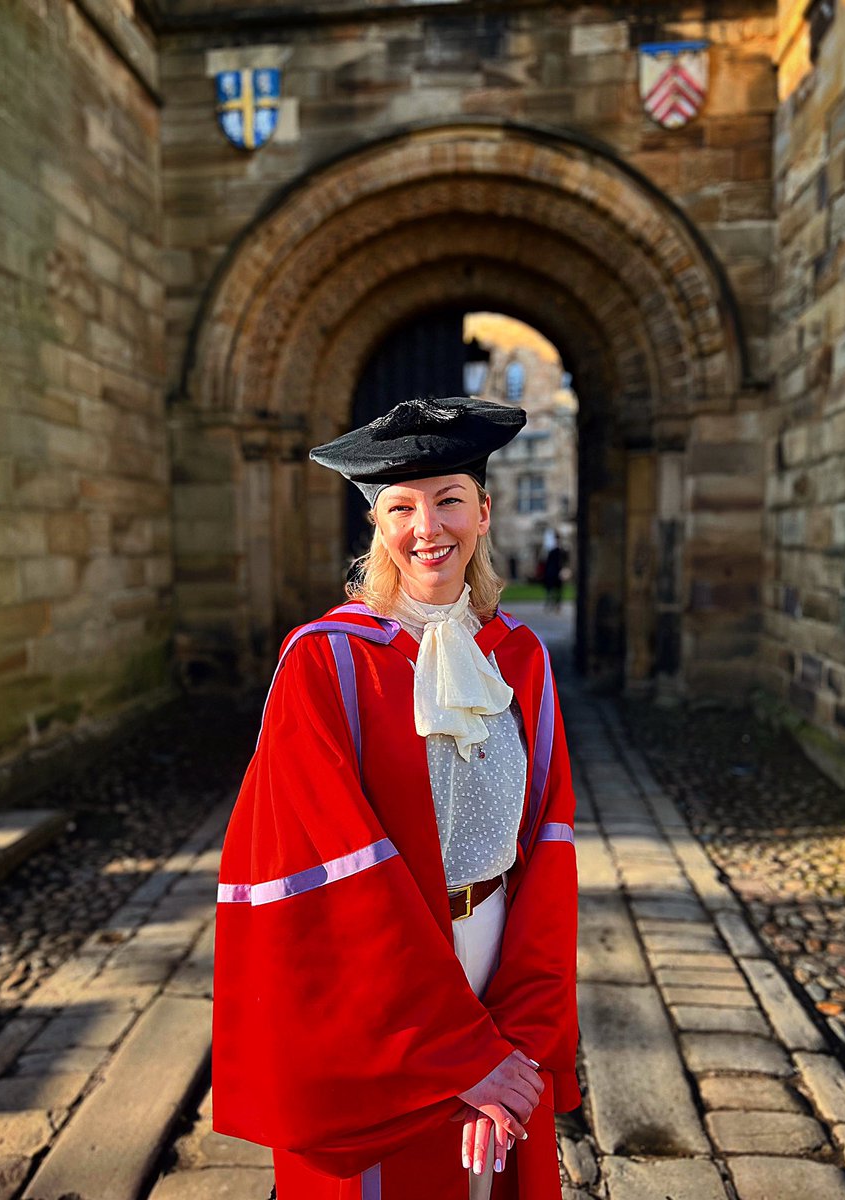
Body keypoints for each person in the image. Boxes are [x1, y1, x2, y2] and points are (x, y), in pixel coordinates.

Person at [212, 396, 580, 1200]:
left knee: (485, 1179)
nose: (428, 527)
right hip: (381, 989)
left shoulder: (520, 659)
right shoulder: (323, 664)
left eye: (449, 499)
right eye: (401, 508)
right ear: (378, 526)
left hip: (496, 954)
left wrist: (518, 1033)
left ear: (483, 513)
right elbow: (332, 878)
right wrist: (460, 1051)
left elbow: (549, 851)